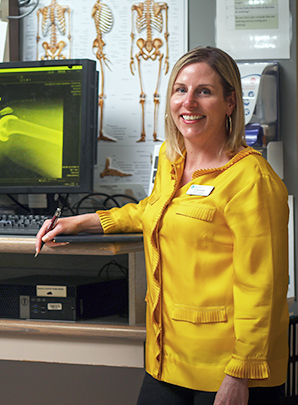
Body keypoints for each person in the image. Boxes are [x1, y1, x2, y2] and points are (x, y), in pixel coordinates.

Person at [36, 46, 288, 405]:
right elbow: (153, 211)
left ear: (230, 102)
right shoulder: (172, 161)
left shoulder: (251, 179)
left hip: (228, 369)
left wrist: (240, 374)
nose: (189, 103)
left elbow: (263, 285)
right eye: (180, 90)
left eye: (205, 91)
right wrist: (85, 222)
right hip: (167, 356)